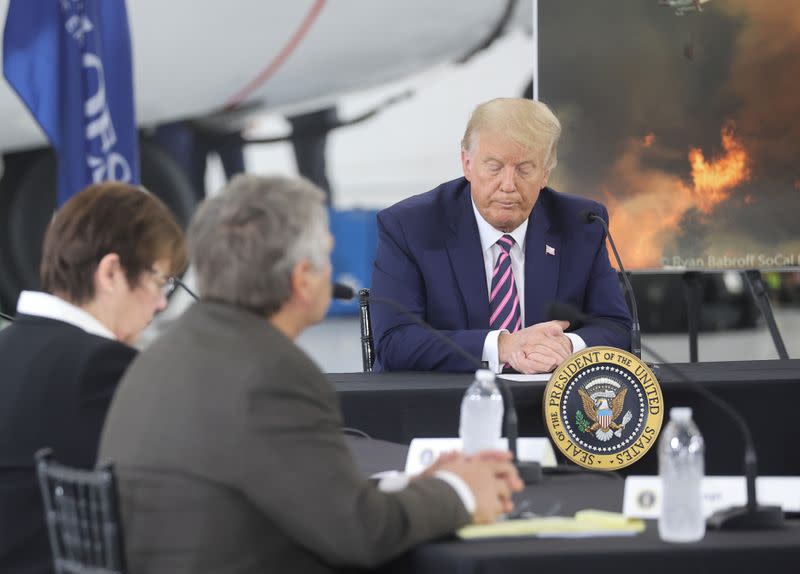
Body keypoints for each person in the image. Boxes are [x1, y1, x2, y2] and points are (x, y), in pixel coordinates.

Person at [98, 174, 522, 574]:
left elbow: (304, 501)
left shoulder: (161, 353)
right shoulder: (271, 373)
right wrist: (461, 491)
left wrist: (419, 486)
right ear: (302, 278)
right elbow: (361, 534)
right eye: (325, 253)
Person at [0, 182, 186, 574]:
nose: (161, 302)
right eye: (159, 281)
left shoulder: (10, 347)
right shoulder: (100, 367)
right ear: (112, 272)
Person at [370, 98, 632, 373]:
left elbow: (616, 327)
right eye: (494, 167)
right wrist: (503, 346)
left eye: (524, 169)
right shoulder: (411, 225)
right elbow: (394, 341)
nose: (508, 185)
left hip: (546, 405)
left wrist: (566, 346)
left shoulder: (581, 224)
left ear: (545, 173)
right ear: (467, 163)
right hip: (441, 405)